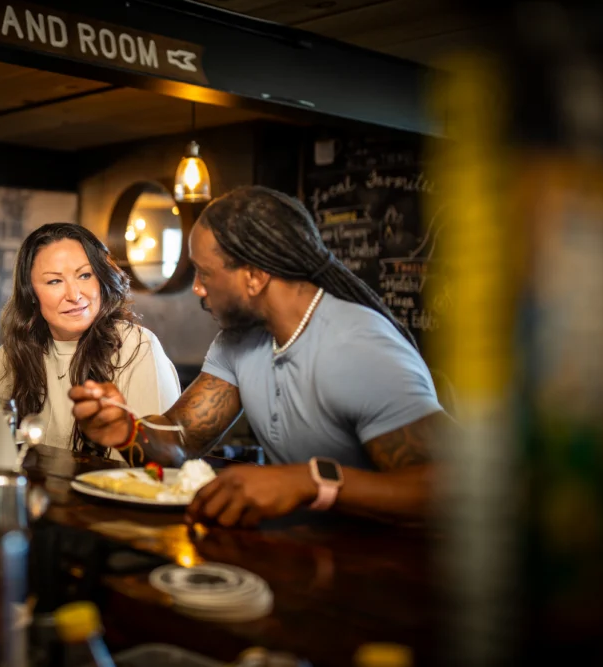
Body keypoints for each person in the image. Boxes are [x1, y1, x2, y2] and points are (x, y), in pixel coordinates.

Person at [69, 186, 450, 525]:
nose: (198, 288)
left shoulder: (358, 348)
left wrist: (309, 480)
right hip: (307, 558)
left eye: (205, 273)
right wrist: (126, 430)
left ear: (254, 275)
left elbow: (452, 489)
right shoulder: (238, 341)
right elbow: (181, 440)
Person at [0, 222, 180, 456]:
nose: (75, 294)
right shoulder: (26, 348)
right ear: (31, 295)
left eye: (85, 275)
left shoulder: (135, 345)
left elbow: (156, 460)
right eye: (54, 281)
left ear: (101, 280)